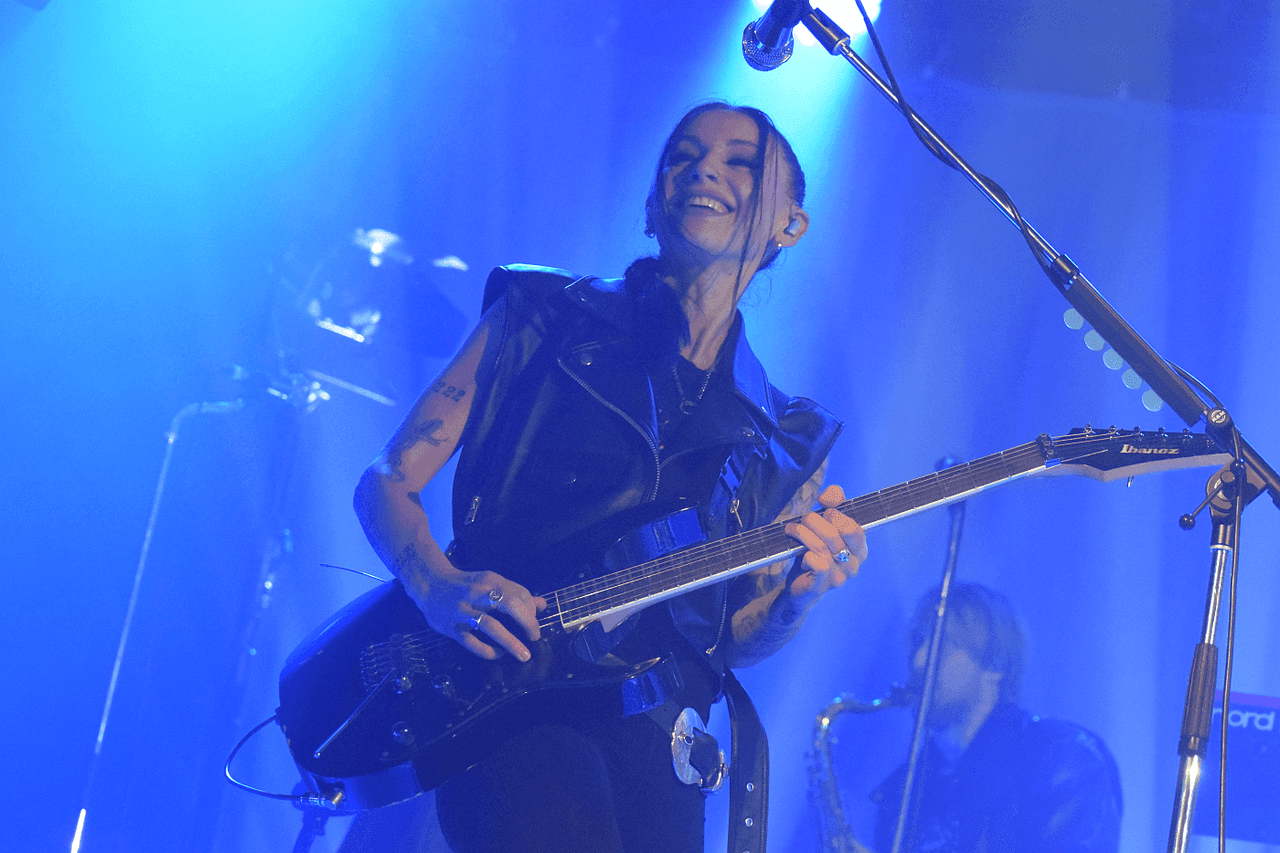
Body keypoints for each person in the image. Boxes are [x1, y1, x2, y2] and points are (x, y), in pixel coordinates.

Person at [351, 102, 867, 853]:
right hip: (508, 694)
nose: (704, 169)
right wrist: (436, 585)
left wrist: (799, 597)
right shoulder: (542, 315)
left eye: (741, 162)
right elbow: (386, 479)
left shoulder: (787, 437)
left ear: (791, 223)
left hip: (657, 736)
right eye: (683, 155)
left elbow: (729, 636)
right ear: (653, 203)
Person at [871, 582, 1123, 853]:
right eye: (918, 642)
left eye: (944, 645)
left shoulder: (1064, 756)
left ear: (995, 664)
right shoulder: (906, 789)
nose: (919, 661)